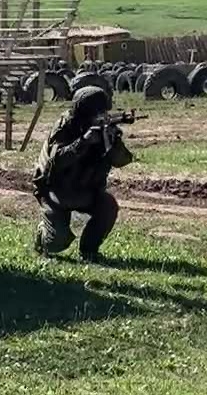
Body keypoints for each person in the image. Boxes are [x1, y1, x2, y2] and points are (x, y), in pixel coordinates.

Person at [32, 86, 133, 263]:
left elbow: (122, 161)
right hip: (56, 191)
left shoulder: (103, 130)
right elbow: (57, 161)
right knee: (57, 243)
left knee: (107, 206)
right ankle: (43, 235)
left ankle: (89, 251)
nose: (100, 116)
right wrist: (83, 142)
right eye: (96, 113)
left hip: (85, 189)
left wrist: (113, 141)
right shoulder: (65, 127)